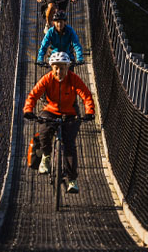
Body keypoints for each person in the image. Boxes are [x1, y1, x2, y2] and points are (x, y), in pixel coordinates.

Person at [23, 51, 95, 192]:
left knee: (69, 145)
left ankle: (72, 180)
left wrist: (89, 112)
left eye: (62, 67)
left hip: (70, 113)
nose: (59, 71)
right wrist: (28, 110)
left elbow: (86, 95)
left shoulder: (74, 79)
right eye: (56, 67)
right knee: (44, 131)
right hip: (51, 110)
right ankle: (46, 156)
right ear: (52, 67)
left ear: (67, 67)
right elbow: (33, 95)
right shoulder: (47, 79)